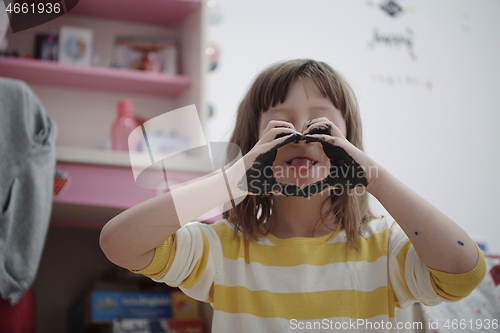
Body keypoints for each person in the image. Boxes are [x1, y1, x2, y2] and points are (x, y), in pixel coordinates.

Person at [100, 59, 486, 332]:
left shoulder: (384, 249)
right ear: (254, 145)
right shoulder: (224, 250)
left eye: (322, 125)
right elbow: (119, 243)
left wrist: (373, 176)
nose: (303, 135)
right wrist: (232, 179)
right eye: (281, 125)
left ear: (350, 144)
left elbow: (464, 273)